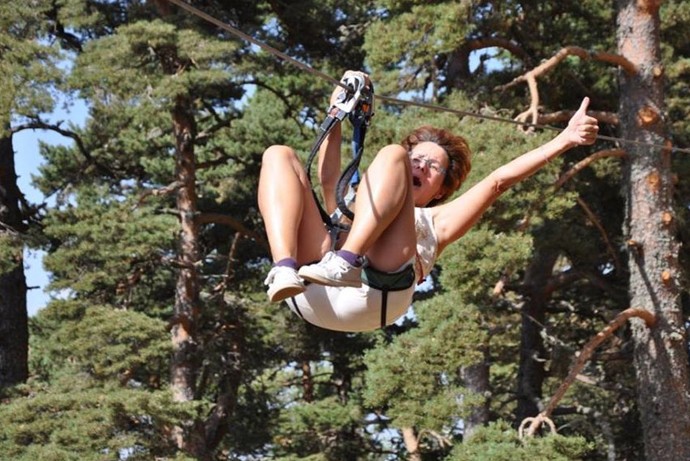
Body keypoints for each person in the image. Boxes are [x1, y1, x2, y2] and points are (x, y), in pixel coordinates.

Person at [257, 71, 599, 332]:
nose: (420, 164)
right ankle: (283, 266)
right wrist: (337, 111)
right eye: (417, 158)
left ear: (439, 189)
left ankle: (347, 260)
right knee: (278, 155)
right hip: (310, 288)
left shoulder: (437, 220)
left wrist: (564, 140)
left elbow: (497, 181)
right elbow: (328, 176)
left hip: (373, 294)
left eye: (432, 166)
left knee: (392, 155)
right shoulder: (356, 198)